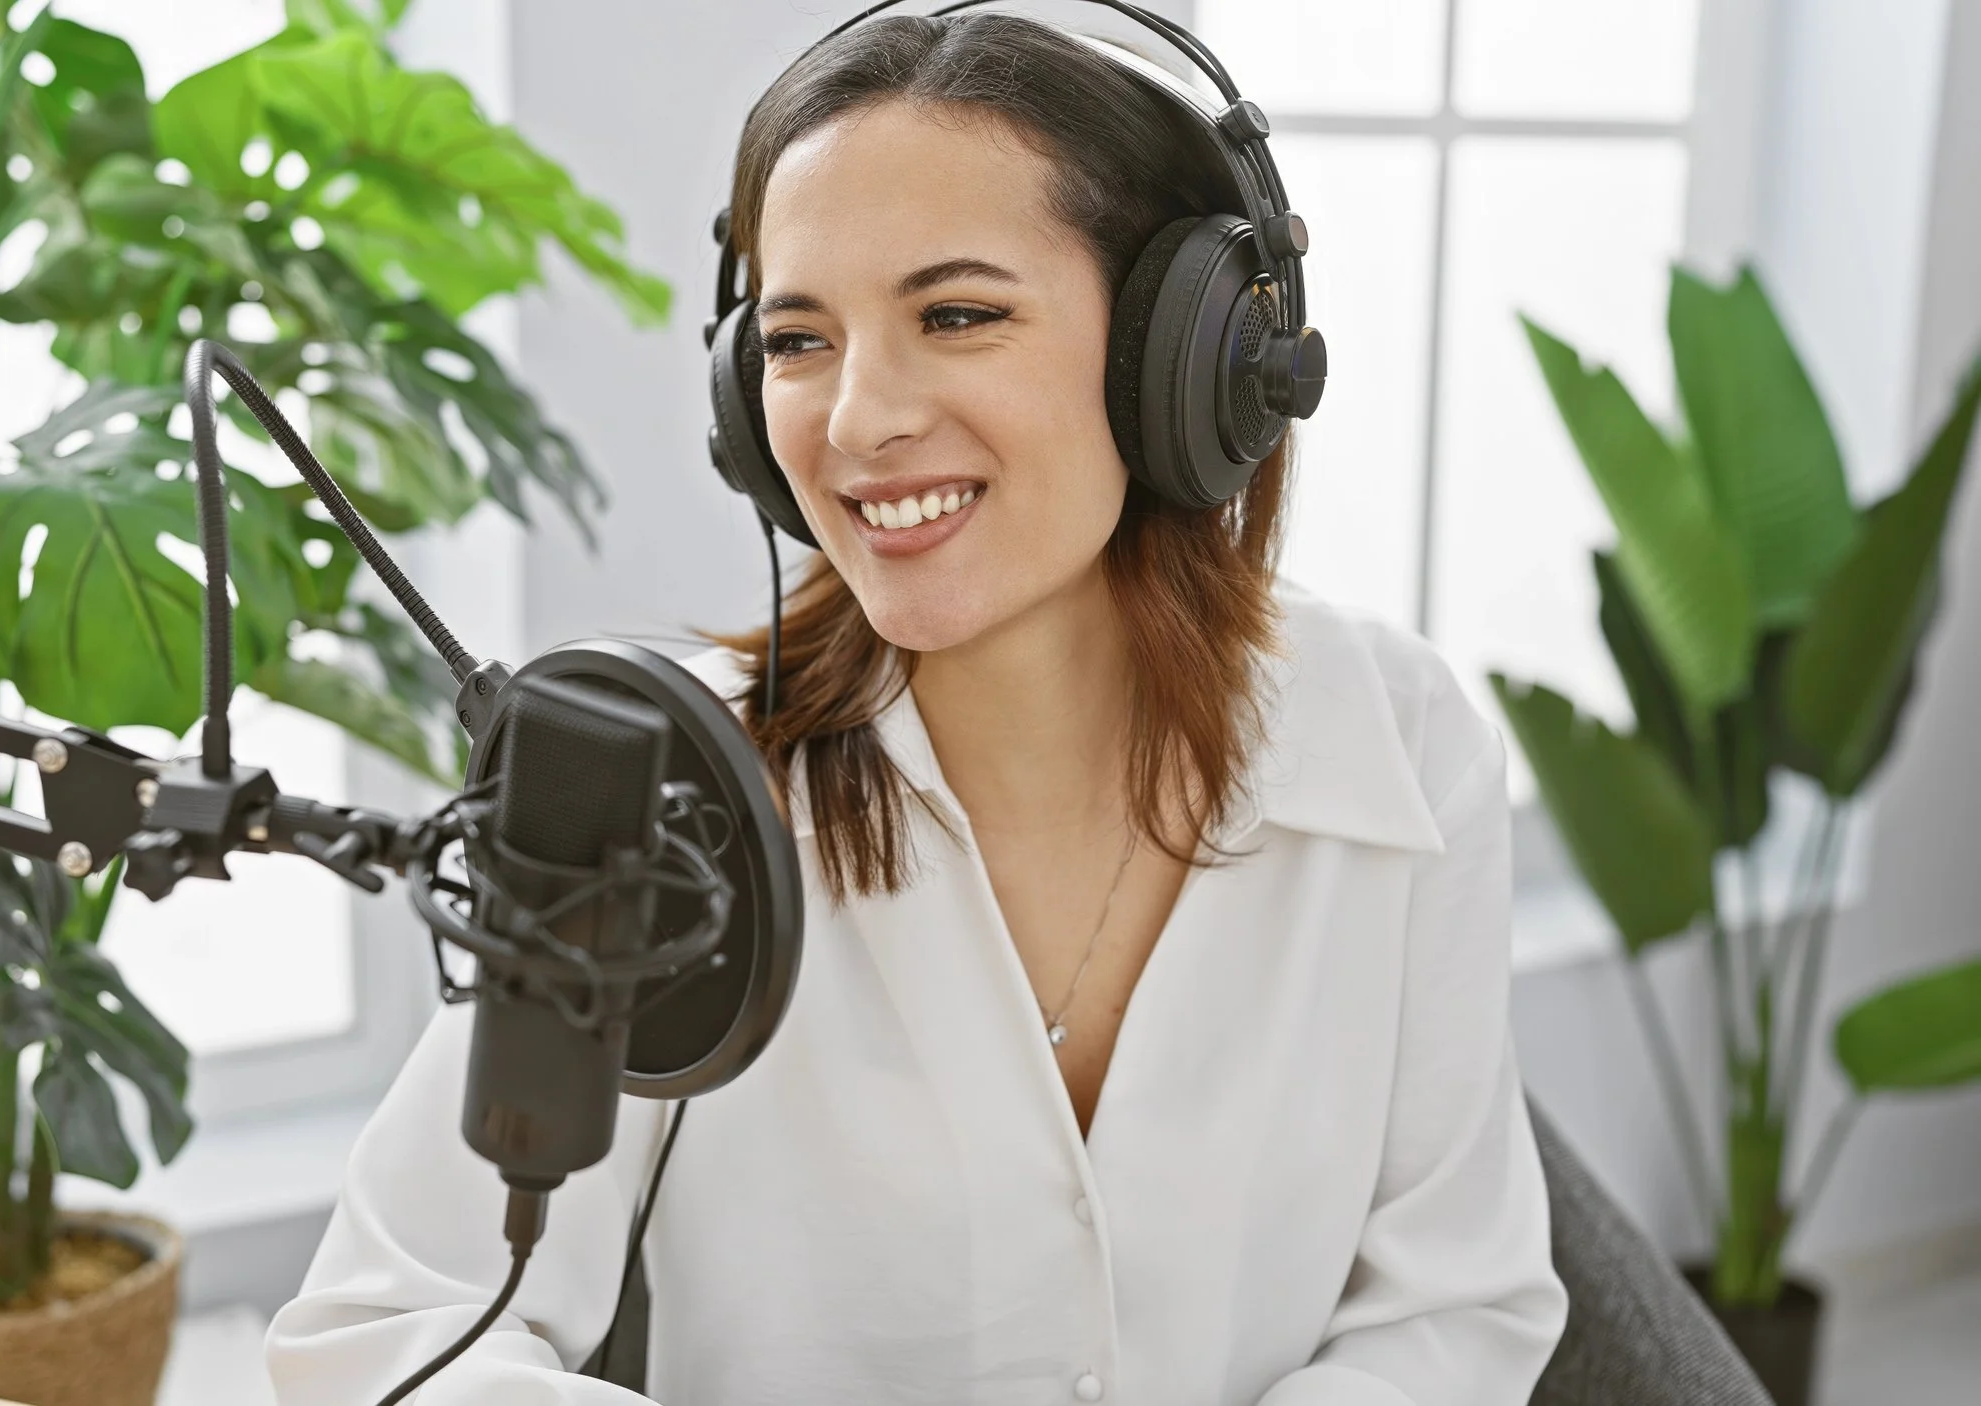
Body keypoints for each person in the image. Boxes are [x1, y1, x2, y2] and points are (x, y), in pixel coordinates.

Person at [268, 13, 1566, 1405]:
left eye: (956, 315)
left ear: (1186, 354)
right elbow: (385, 1331)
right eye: (798, 339)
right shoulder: (664, 786)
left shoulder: (1402, 744)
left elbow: (1456, 1310)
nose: (856, 420)